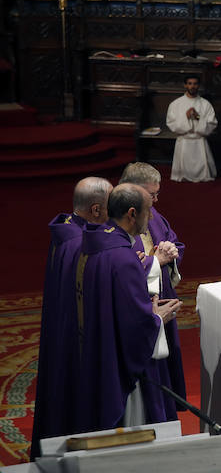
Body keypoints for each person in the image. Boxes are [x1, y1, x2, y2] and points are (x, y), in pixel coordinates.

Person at [70, 183, 182, 434]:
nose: (151, 218)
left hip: (97, 348)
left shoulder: (96, 243)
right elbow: (133, 328)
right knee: (133, 431)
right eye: (148, 211)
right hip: (120, 368)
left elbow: (114, 303)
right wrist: (157, 318)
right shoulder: (124, 257)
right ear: (132, 214)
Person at [32, 177, 112, 456]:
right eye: (110, 206)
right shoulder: (80, 244)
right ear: (96, 210)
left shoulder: (67, 229)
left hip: (61, 325)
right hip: (77, 338)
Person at [119, 162, 187, 422]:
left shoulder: (152, 214)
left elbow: (174, 241)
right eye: (152, 194)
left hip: (162, 301)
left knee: (163, 368)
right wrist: (155, 261)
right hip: (138, 310)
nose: (156, 200)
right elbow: (119, 267)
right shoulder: (117, 220)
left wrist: (171, 251)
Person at [166, 74, 217, 183]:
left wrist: (198, 117)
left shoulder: (205, 104)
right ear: (185, 85)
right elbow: (171, 123)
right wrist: (186, 117)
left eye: (195, 84)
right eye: (190, 84)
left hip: (199, 140)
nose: (192, 86)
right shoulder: (176, 104)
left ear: (198, 86)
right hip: (184, 139)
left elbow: (212, 123)